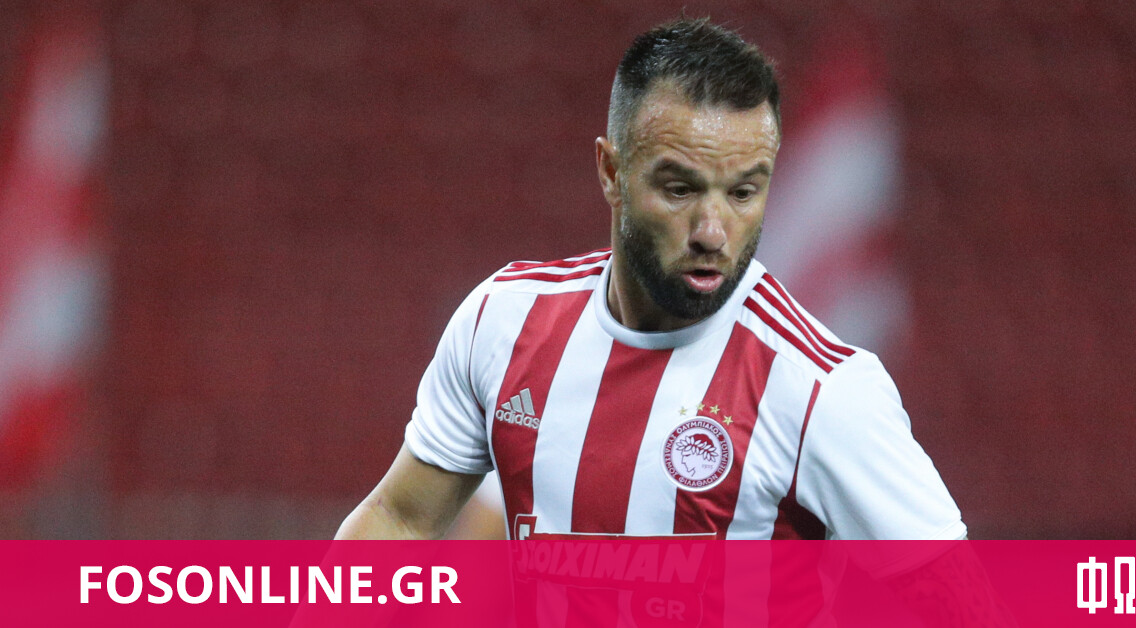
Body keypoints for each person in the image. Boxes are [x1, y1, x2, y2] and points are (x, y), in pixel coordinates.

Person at [337, 17, 964, 545]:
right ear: (611, 172)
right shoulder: (503, 325)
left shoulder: (821, 391)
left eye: (744, 192)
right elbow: (400, 517)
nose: (713, 231)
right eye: (680, 189)